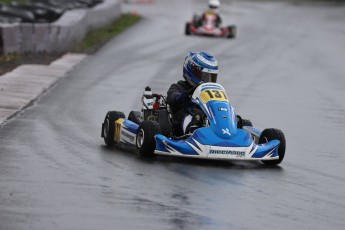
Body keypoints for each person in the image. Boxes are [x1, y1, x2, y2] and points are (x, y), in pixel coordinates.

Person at [167, 51, 218, 136]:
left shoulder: (212, 92)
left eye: (211, 77)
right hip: (183, 124)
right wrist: (186, 95)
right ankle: (195, 130)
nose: (208, 81)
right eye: (205, 76)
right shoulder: (179, 87)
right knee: (196, 116)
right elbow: (172, 98)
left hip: (208, 120)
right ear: (192, 71)